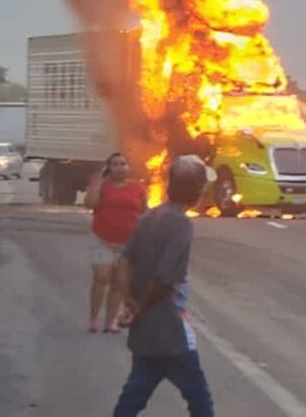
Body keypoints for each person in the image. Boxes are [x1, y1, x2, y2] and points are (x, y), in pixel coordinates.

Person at [111, 155, 214, 417]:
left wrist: (129, 302)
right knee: (199, 397)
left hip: (147, 328)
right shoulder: (181, 224)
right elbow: (164, 276)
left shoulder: (151, 215)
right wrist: (140, 308)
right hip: (169, 326)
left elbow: (124, 259)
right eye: (202, 185)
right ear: (195, 190)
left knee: (135, 392)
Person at [85, 152, 147, 333]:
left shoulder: (138, 188)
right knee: (101, 278)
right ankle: (93, 318)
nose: (120, 167)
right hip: (102, 240)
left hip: (127, 244)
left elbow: (144, 211)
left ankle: (110, 322)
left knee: (119, 283)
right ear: (108, 168)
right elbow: (90, 204)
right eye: (115, 164)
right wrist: (97, 182)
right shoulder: (100, 185)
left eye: (123, 164)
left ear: (129, 167)